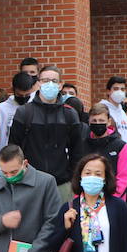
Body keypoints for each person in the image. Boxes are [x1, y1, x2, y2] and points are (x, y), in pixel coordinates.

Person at [7, 64, 84, 197]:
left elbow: (77, 151)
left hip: (61, 184)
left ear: (60, 85)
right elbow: (14, 148)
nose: (50, 84)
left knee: (63, 217)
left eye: (54, 81)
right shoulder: (25, 112)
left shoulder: (69, 114)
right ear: (38, 84)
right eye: (45, 81)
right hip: (29, 182)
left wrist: (72, 177)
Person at [85, 105, 127, 199]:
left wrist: (113, 198)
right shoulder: (83, 144)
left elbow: (124, 177)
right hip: (86, 201)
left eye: (101, 121)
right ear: (89, 122)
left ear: (108, 122)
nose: (97, 123)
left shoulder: (121, 146)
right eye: (94, 121)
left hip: (114, 200)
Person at [0, 72, 35, 154]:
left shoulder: (35, 107)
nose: (24, 98)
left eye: (27, 94)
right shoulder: (1, 109)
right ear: (13, 90)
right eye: (20, 95)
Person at [98, 77, 127, 144]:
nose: (119, 92)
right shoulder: (101, 109)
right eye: (116, 89)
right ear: (108, 91)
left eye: (122, 89)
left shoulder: (123, 113)